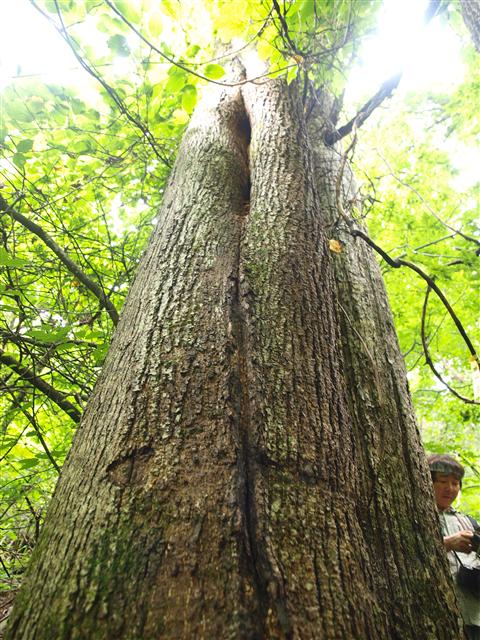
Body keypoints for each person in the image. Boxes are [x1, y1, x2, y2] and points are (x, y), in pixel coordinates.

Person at [428, 454, 480, 640]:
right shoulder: (414, 515)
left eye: (456, 483)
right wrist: (447, 544)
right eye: (443, 481)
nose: (450, 488)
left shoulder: (469, 522)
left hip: (475, 615)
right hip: (435, 615)